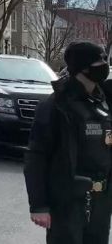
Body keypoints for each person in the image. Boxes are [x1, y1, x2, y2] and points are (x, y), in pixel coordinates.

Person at [24, 41, 112, 244]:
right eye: (98, 61)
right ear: (82, 67)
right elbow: (36, 156)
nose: (104, 65)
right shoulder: (56, 106)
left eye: (104, 59)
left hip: (101, 200)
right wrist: (39, 205)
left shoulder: (105, 99)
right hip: (67, 200)